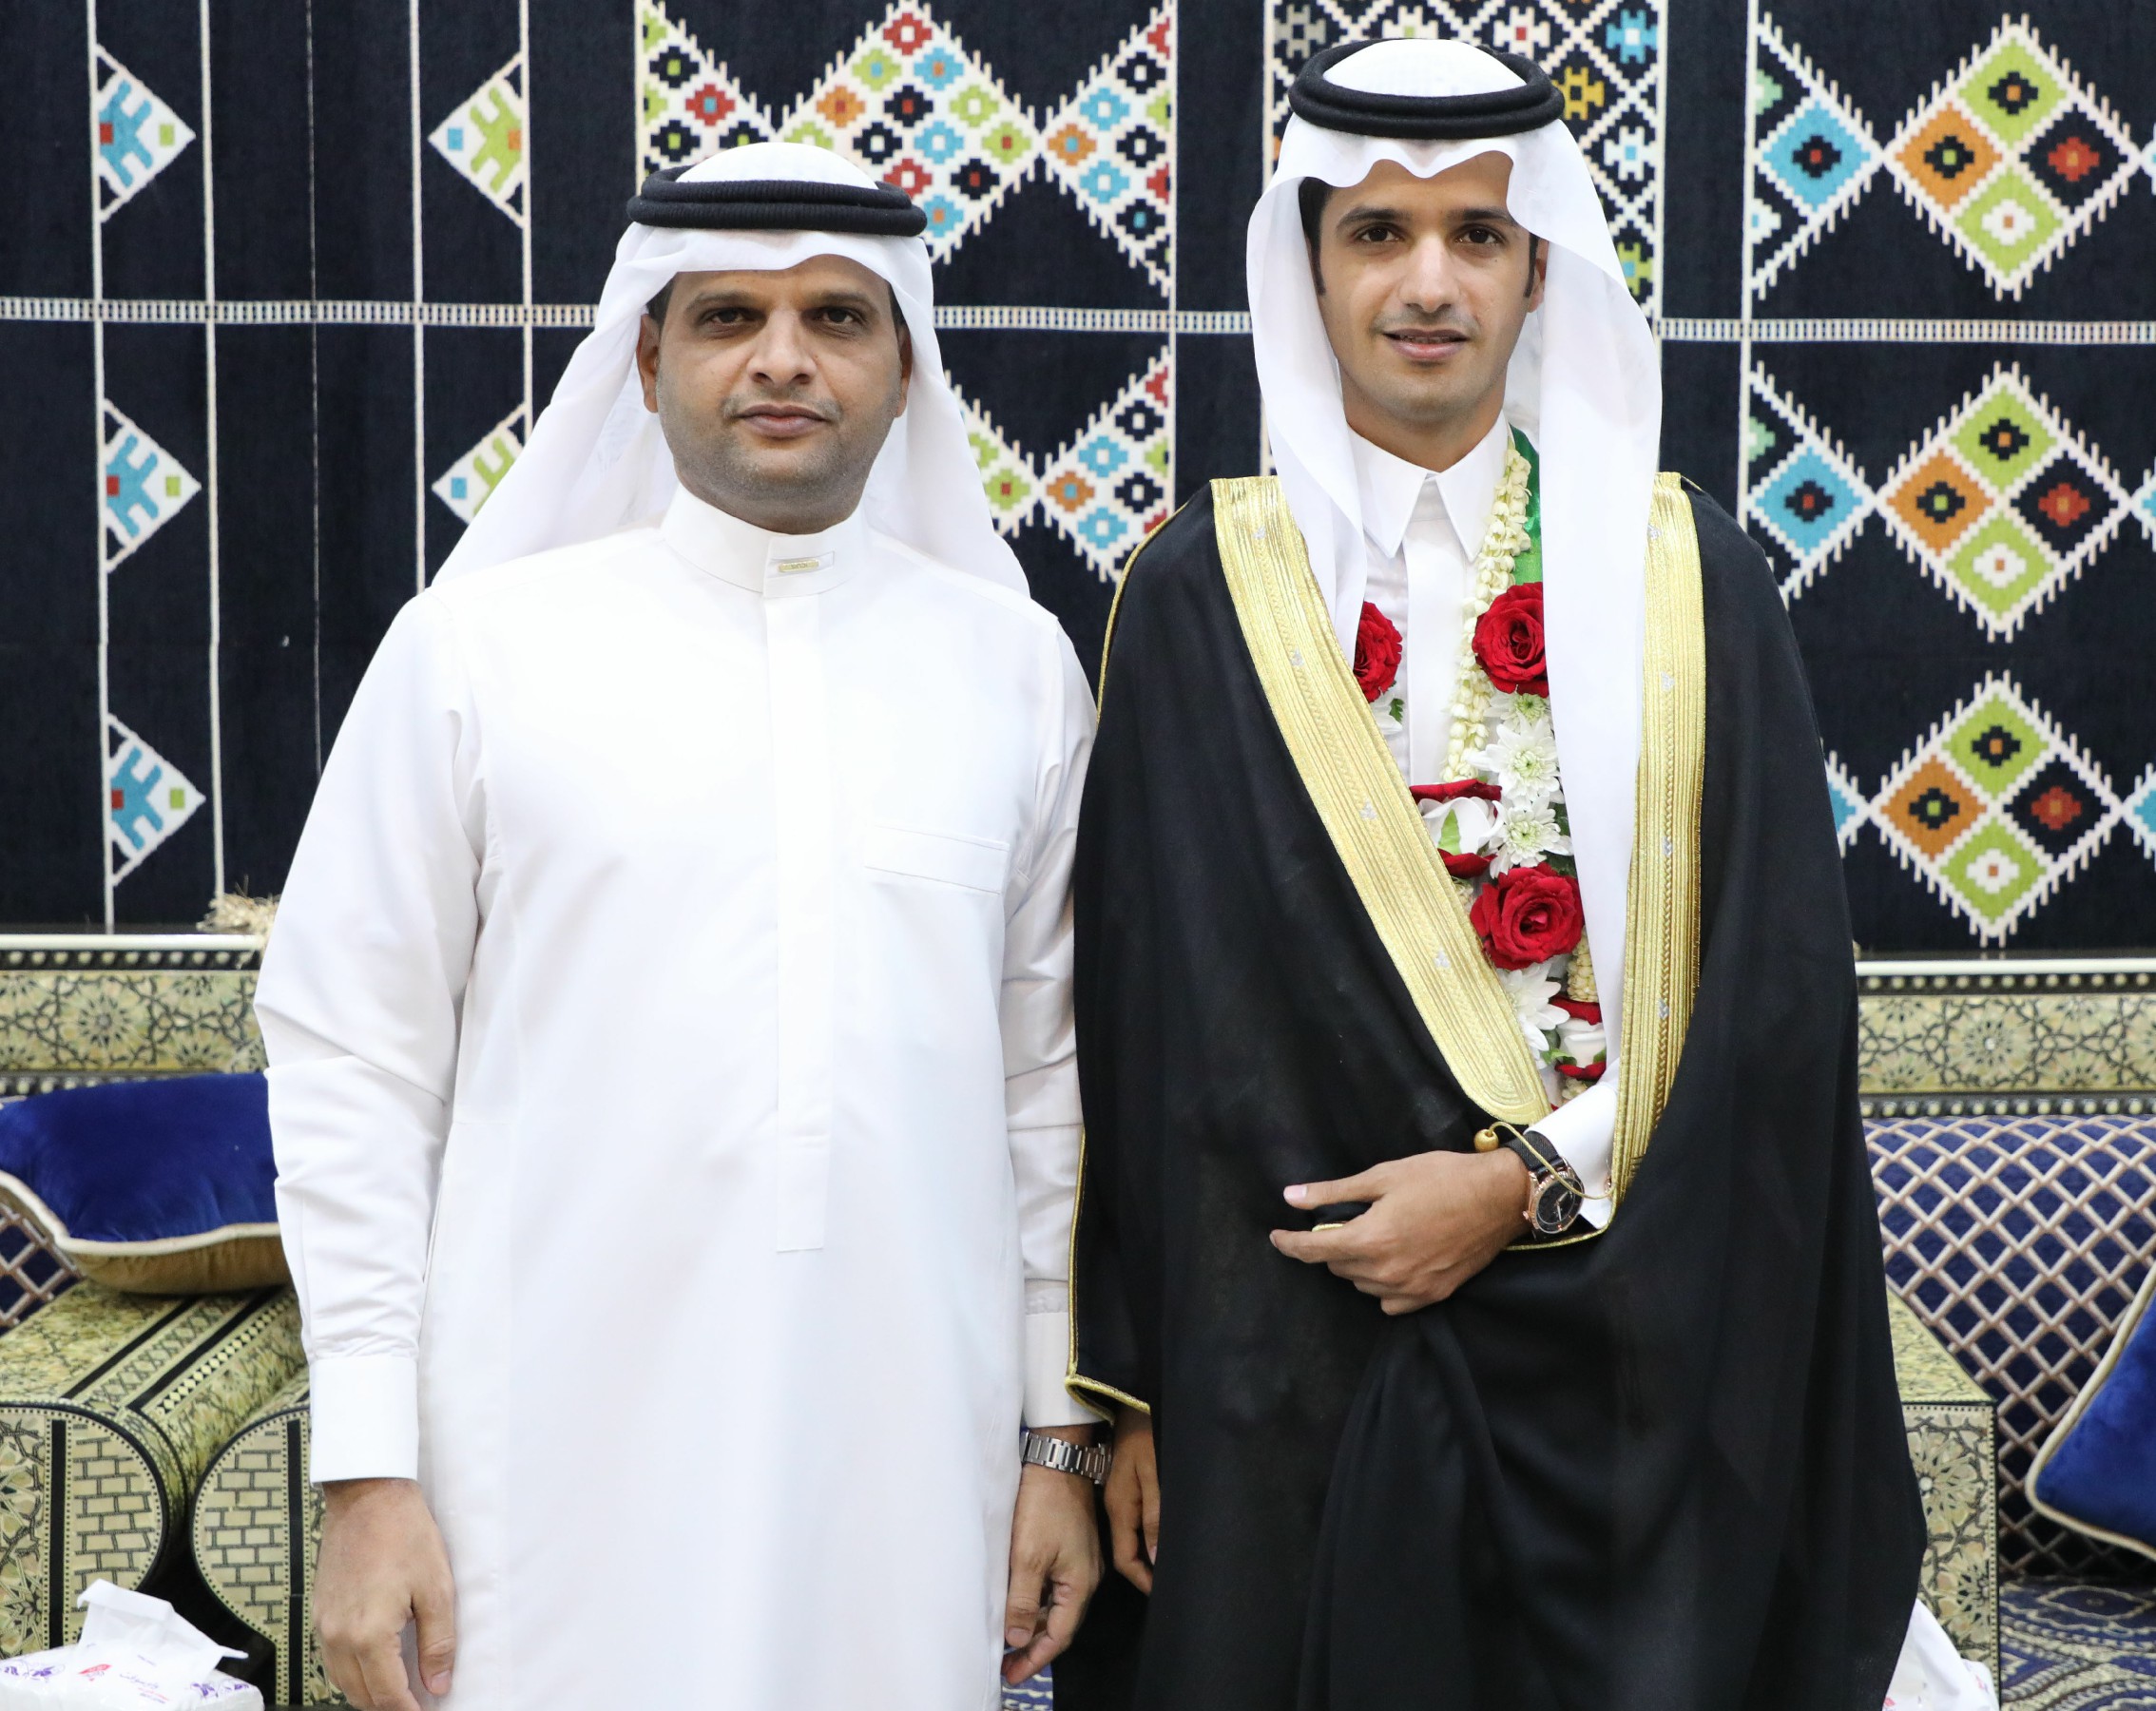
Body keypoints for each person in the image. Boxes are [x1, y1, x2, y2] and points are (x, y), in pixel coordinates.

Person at [1055, 39, 1992, 1711]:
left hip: (1625, 1361)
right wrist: (1126, 1402)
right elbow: (1137, 1039)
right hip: (1279, 1377)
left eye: (1476, 235)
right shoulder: (1196, 596)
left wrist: (1523, 1186)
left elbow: (1771, 1010)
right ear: (1310, 267)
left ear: (1538, 267)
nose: (1428, 282)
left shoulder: (1688, 584)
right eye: (1378, 232)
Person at [258, 143, 1106, 1711]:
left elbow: (1046, 1089)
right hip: (540, 1475)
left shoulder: (1015, 670)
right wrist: (368, 1478)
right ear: (645, 362)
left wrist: (1060, 1443)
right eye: (727, 317)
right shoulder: (475, 653)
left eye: (836, 318)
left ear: (905, 366)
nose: (783, 359)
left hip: (908, 1470)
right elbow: (353, 1069)